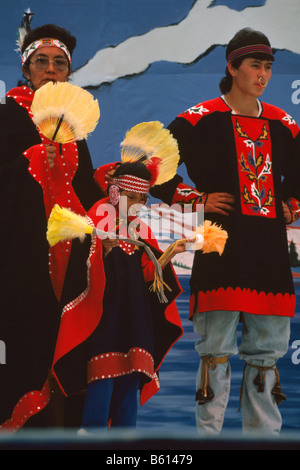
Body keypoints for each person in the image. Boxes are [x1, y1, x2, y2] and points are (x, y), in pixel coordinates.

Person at [149, 28, 300, 435]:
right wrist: (194, 199)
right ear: (232, 67)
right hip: (221, 250)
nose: (263, 74)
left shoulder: (283, 122)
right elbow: (152, 162)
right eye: (255, 65)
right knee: (214, 352)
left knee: (266, 355)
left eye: (268, 66)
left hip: (269, 256)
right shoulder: (200, 119)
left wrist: (291, 203)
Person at [0, 17, 103, 431]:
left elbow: (87, 190)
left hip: (69, 254)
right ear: (26, 68)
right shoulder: (7, 115)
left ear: (68, 72)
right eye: (41, 61)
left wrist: (112, 199)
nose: (50, 69)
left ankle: (65, 432)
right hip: (19, 252)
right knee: (25, 338)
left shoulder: (73, 124)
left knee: (66, 341)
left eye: (59, 63)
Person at [51, 159, 185, 430]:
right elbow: (80, 266)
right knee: (102, 378)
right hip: (105, 315)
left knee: (130, 379)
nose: (137, 203)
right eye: (131, 197)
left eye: (142, 199)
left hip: (136, 315)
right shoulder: (97, 215)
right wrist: (104, 250)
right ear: (115, 193)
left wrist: (171, 252)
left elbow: (150, 275)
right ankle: (93, 434)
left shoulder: (139, 227)